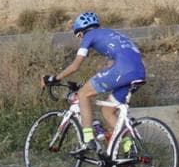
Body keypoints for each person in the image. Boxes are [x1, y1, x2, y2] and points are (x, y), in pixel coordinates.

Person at [43, 12, 147, 156]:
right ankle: (129, 148)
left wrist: (55, 78)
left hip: (123, 70)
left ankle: (88, 139)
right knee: (107, 111)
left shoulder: (90, 35)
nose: (80, 40)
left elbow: (76, 65)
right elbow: (111, 64)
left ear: (81, 32)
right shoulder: (112, 33)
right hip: (138, 72)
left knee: (83, 94)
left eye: (79, 36)